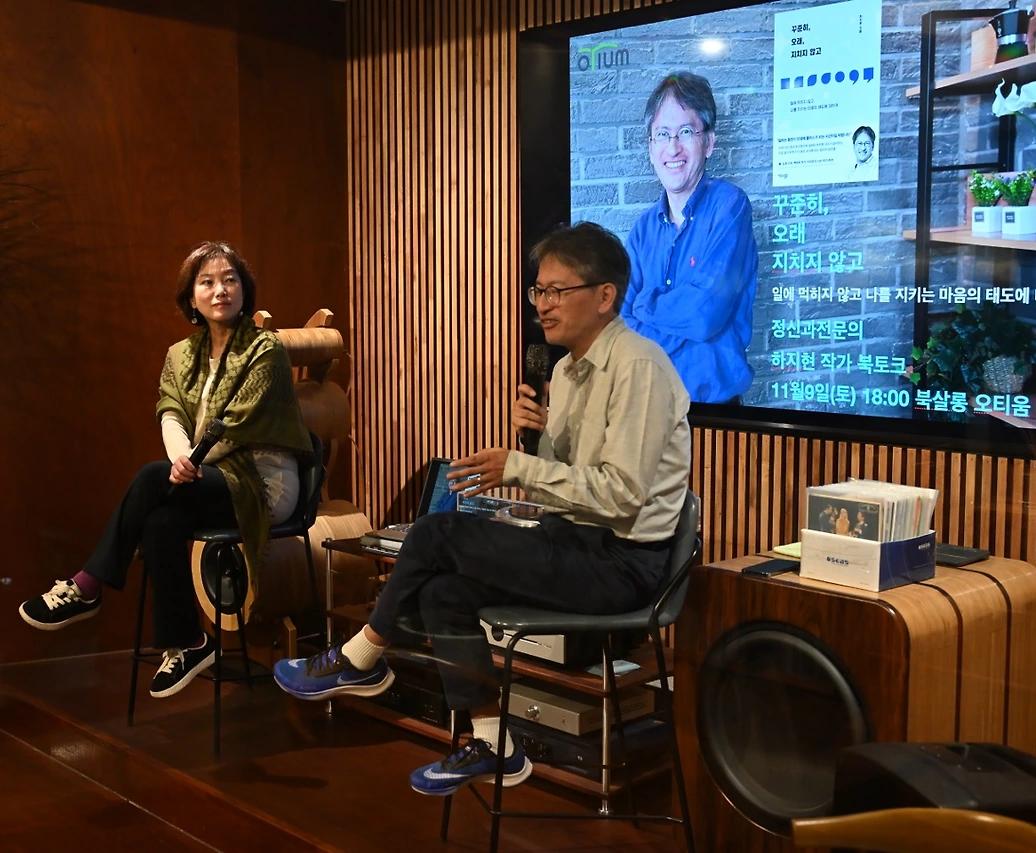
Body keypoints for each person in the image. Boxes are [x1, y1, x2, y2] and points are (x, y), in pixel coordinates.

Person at [273, 222, 692, 796]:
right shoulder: (564, 370)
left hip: (623, 565)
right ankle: (494, 742)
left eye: (556, 291)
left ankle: (361, 657)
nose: (542, 305)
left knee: (435, 535)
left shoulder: (639, 366)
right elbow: (562, 489)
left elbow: (621, 495)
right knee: (443, 591)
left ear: (604, 295)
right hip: (572, 542)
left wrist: (519, 467)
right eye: (538, 290)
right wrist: (534, 444)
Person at [18, 241, 313, 699]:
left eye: (230, 279)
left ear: (245, 289)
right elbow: (170, 410)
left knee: (152, 478)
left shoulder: (265, 349)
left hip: (262, 483)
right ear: (190, 296)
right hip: (204, 479)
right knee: (160, 521)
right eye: (207, 282)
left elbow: (237, 423)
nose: (220, 290)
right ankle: (190, 642)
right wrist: (181, 459)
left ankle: (88, 585)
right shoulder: (180, 354)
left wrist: (185, 465)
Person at [622, 71, 758, 405]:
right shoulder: (642, 230)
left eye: (685, 132)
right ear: (651, 147)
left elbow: (703, 315)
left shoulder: (730, 208)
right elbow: (620, 328)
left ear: (708, 142)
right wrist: (673, 318)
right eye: (662, 134)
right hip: (648, 412)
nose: (673, 148)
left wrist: (645, 305)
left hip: (715, 416)